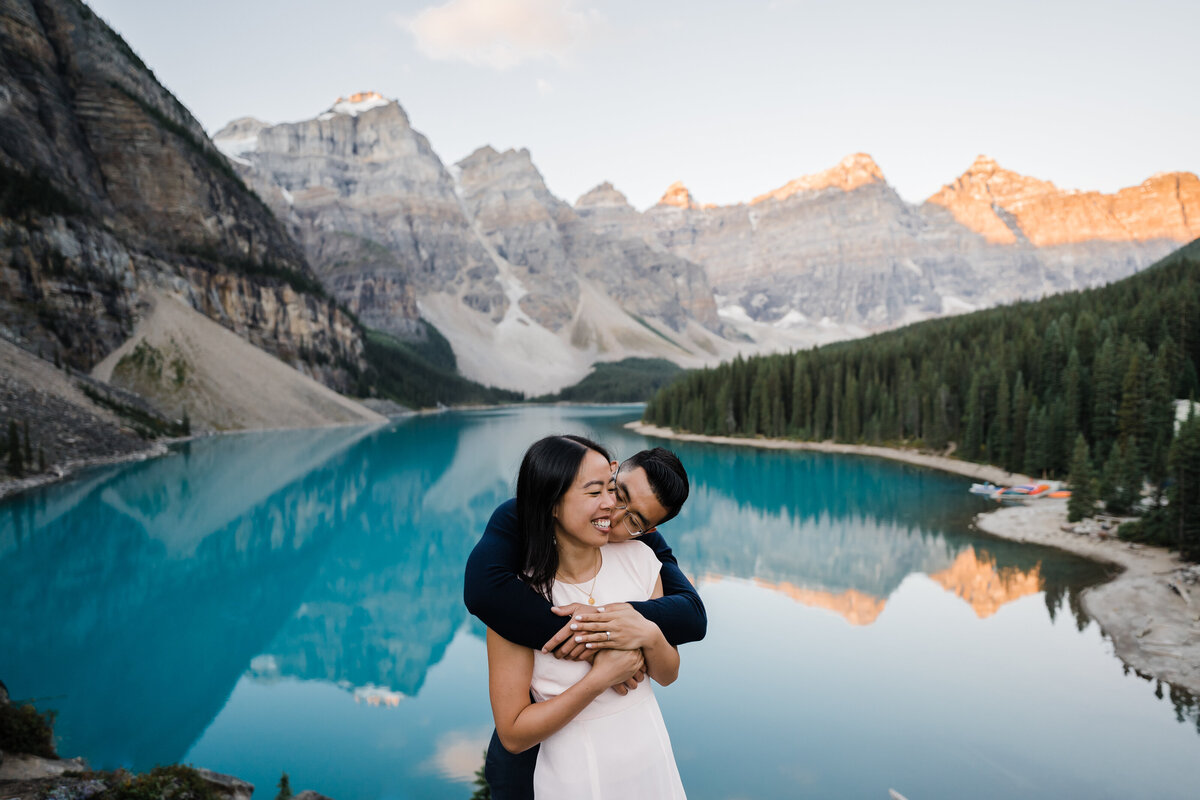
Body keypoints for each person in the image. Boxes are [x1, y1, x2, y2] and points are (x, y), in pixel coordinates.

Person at [464, 444, 706, 798]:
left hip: (645, 754)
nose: (615, 512)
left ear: (649, 530)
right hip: (554, 764)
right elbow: (482, 591)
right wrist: (597, 645)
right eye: (615, 492)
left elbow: (692, 618)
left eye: (636, 521)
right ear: (611, 472)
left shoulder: (641, 555)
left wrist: (634, 626)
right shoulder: (518, 546)